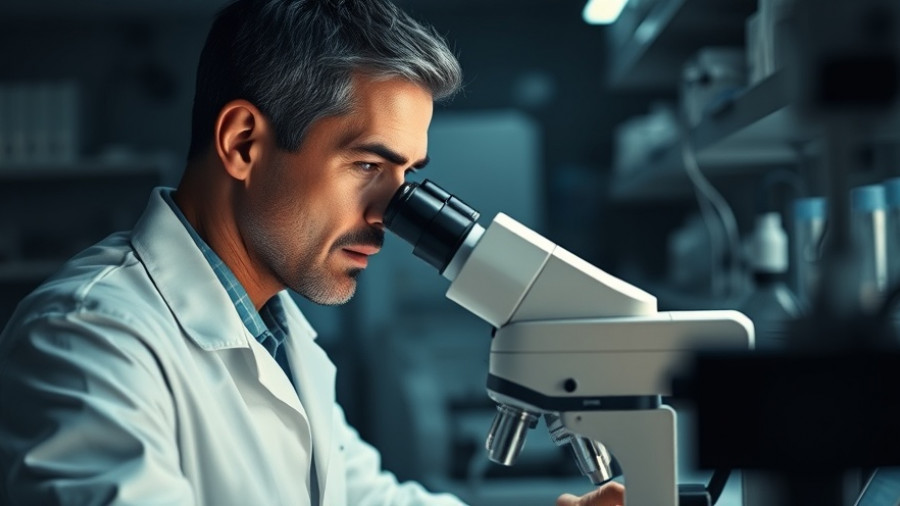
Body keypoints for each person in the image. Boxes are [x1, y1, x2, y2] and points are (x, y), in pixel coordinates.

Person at [0, 0, 624, 505]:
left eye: (406, 178)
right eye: (366, 164)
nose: (389, 215)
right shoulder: (86, 340)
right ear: (243, 143)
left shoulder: (279, 331)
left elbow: (363, 497)